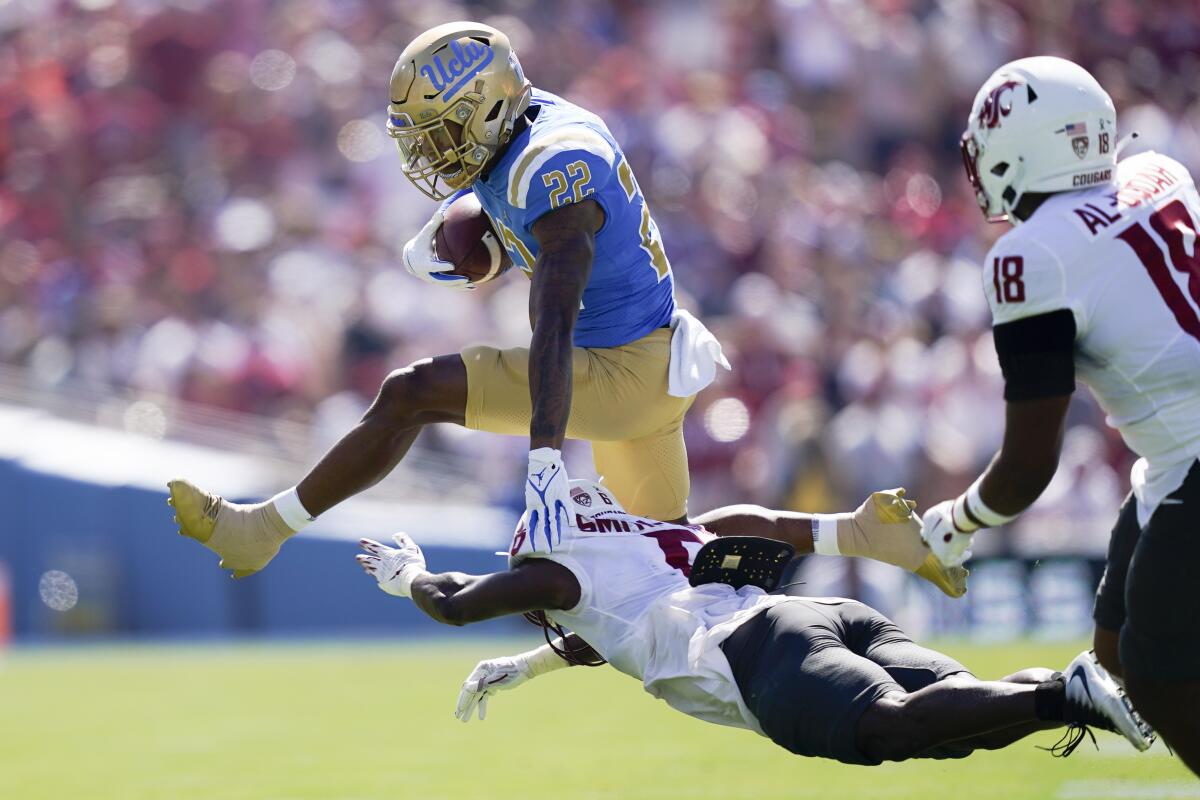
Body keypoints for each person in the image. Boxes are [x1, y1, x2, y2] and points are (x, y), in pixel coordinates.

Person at [166, 21, 729, 577]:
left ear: (483, 108)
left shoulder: (553, 166)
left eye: (440, 133)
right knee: (681, 573)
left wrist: (545, 458)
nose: (430, 154)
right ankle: (814, 547)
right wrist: (495, 236)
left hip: (621, 373)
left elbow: (554, 318)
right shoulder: (527, 124)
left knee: (412, 393)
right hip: (651, 362)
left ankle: (261, 529)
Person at [355, 480, 1151, 765]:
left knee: (892, 729)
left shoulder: (559, 572)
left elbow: (459, 601)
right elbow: (775, 528)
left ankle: (1067, 694)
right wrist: (528, 668)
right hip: (823, 614)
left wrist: (411, 579)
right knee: (961, 719)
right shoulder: (666, 534)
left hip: (756, 653)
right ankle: (1081, 689)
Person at [920, 56, 1200, 773]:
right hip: (1174, 457)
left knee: (1157, 674)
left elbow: (1027, 466)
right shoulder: (1162, 172)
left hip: (1192, 451)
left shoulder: (1032, 256)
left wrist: (956, 524)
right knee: (1112, 655)